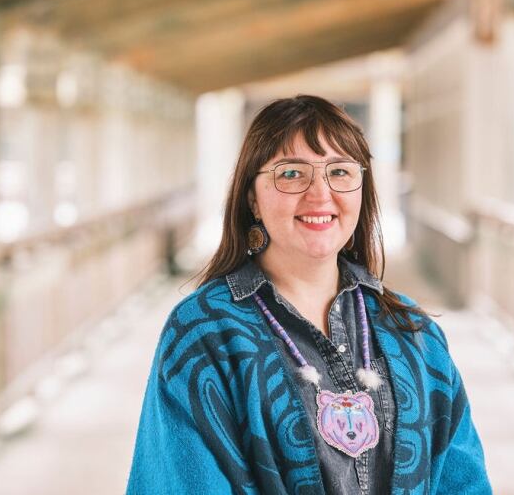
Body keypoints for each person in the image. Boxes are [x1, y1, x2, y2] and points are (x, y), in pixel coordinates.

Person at [126, 95, 492, 494]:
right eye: (291, 174)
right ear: (253, 197)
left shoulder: (413, 332)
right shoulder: (202, 335)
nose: (320, 195)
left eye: (339, 172)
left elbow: (465, 482)